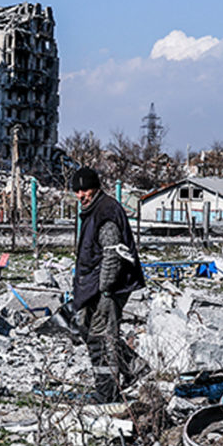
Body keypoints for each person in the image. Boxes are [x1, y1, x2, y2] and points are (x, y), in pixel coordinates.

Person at [71, 167, 145, 405]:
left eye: (85, 189)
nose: (81, 195)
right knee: (92, 332)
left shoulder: (106, 213)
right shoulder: (96, 209)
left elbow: (112, 256)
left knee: (101, 339)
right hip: (96, 286)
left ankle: (107, 395)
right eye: (77, 191)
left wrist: (105, 290)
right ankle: (134, 367)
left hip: (108, 287)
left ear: (96, 187)